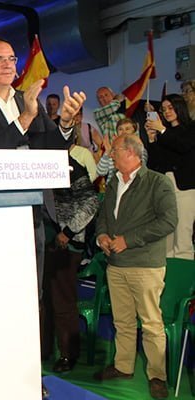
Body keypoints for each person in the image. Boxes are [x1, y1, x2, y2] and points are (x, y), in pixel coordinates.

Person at [0, 36, 85, 399]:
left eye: (12, 59)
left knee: (30, 297)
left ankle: (28, 377)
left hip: (31, 214)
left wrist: (64, 123)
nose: (8, 65)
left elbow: (51, 151)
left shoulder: (27, 100)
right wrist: (26, 116)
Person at [93, 133, 177, 400]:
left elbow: (168, 221)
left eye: (115, 150)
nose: (111, 154)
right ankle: (123, 366)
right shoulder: (113, 182)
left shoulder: (158, 182)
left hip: (145, 265)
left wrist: (128, 240)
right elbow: (104, 216)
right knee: (123, 321)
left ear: (131, 152)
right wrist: (102, 236)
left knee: (151, 323)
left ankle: (157, 376)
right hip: (116, 264)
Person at [41, 140, 99, 373]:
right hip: (42, 240)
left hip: (66, 244)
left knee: (62, 300)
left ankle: (68, 354)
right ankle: (43, 349)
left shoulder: (72, 167)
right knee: (43, 300)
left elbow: (91, 202)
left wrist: (68, 232)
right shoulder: (38, 164)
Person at [144, 93, 195, 260]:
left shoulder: (191, 128)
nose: (167, 112)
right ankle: (167, 265)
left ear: (180, 107)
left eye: (170, 108)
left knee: (183, 230)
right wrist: (152, 140)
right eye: (164, 109)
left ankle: (184, 267)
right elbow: (155, 164)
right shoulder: (163, 133)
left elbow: (183, 145)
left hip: (185, 186)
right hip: (165, 185)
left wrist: (162, 130)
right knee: (166, 230)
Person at [96, 118, 148, 184]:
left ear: (134, 132)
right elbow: (100, 172)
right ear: (117, 133)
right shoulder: (111, 150)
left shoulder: (140, 149)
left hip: (133, 185)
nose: (124, 132)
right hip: (112, 186)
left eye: (127, 129)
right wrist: (107, 153)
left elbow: (139, 170)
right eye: (120, 129)